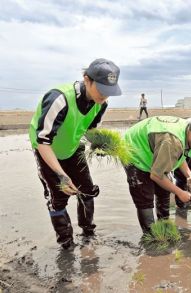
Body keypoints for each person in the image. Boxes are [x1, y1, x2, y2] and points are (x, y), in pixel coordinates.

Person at [29, 58, 122, 249]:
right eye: (102, 89)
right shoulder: (59, 99)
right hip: (47, 151)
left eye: (109, 92)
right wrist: (62, 175)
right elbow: (43, 141)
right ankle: (67, 243)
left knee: (87, 190)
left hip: (72, 147)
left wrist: (100, 144)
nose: (105, 96)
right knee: (57, 197)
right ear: (86, 79)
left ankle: (88, 233)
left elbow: (89, 129)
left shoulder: (100, 104)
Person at [123, 116, 191, 234]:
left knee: (164, 191)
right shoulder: (172, 141)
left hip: (156, 149)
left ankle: (164, 229)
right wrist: (180, 192)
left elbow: (179, 155)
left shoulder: (186, 131)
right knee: (144, 195)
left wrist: (189, 175)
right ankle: (151, 237)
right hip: (134, 151)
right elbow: (156, 176)